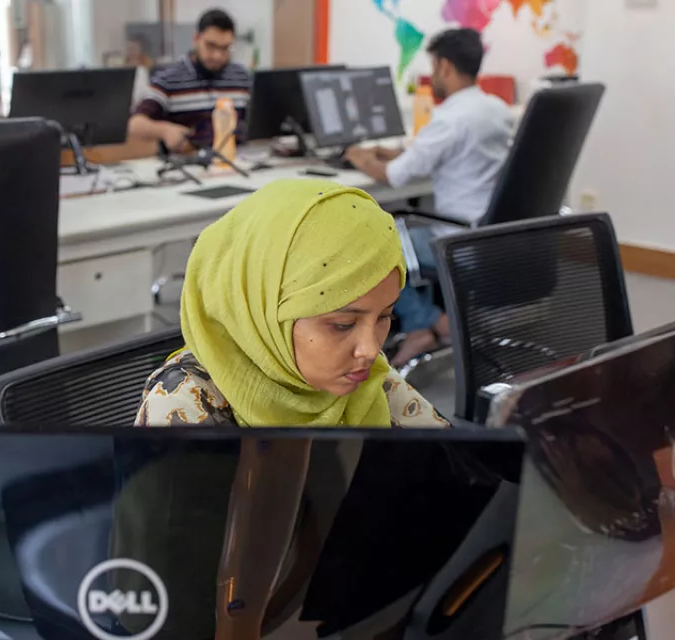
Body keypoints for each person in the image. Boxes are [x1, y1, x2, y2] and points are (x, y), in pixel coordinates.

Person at [124, 180, 447, 637]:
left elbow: (452, 470)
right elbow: (173, 600)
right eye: (341, 324)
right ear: (263, 306)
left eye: (385, 317)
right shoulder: (186, 405)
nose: (370, 348)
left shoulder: (362, 379)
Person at [344, 28, 513, 366]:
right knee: (402, 231)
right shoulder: (495, 108)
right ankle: (425, 323)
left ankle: (428, 324)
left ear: (446, 66)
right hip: (493, 235)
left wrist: (356, 156)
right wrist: (393, 151)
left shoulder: (450, 118)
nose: (432, 75)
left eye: (434, 67)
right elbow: (434, 153)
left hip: (455, 239)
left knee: (369, 245)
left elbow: (393, 177)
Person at [127, 9, 251, 152]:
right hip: (187, 164)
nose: (217, 55)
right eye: (211, 46)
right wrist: (165, 131)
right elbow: (134, 124)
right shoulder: (169, 79)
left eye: (225, 48)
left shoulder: (242, 77)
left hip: (236, 162)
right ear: (196, 39)